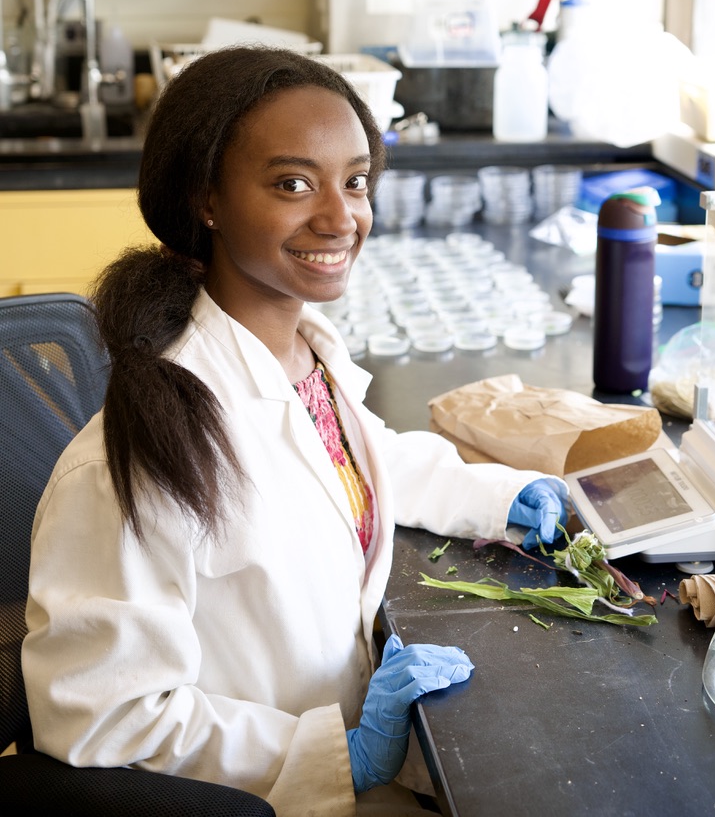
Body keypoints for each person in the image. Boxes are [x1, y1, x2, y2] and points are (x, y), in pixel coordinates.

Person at [21, 46, 568, 816]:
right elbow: (98, 713)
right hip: (275, 794)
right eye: (292, 183)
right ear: (206, 198)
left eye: (354, 181)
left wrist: (504, 494)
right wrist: (330, 755)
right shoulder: (136, 459)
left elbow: (351, 464)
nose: (340, 216)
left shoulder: (301, 363)